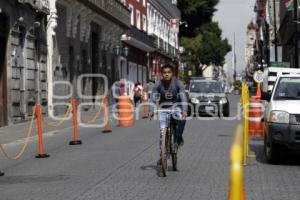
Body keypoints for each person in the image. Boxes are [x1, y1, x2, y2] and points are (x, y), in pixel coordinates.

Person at [148, 64, 188, 164]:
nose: (166, 74)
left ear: (172, 73)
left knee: (182, 120)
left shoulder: (178, 83)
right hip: (163, 109)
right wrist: (151, 109)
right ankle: (163, 156)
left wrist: (184, 110)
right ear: (162, 74)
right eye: (164, 73)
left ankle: (178, 136)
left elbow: (183, 97)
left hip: (176, 107)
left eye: (168, 72)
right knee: (162, 133)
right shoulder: (158, 84)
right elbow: (152, 97)